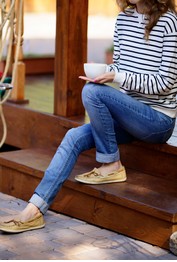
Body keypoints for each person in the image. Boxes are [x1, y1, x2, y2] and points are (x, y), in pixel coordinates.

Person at [0, 0, 177, 235]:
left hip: (157, 120)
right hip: (128, 114)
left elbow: (165, 83)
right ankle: (33, 211)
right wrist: (105, 70)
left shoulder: (169, 22)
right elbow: (122, 66)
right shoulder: (124, 19)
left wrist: (117, 77)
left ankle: (111, 163)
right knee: (74, 135)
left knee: (93, 92)